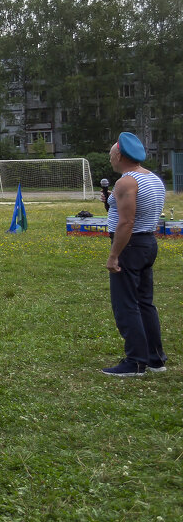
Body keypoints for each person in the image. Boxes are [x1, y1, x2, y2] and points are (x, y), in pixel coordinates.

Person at [102, 132, 167, 377]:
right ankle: (155, 358)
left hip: (130, 246)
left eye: (111, 155)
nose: (110, 159)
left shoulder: (126, 182)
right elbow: (137, 211)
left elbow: (127, 223)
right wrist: (111, 204)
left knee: (126, 304)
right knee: (144, 303)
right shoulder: (151, 178)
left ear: (119, 155)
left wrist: (113, 255)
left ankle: (136, 362)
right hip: (147, 243)